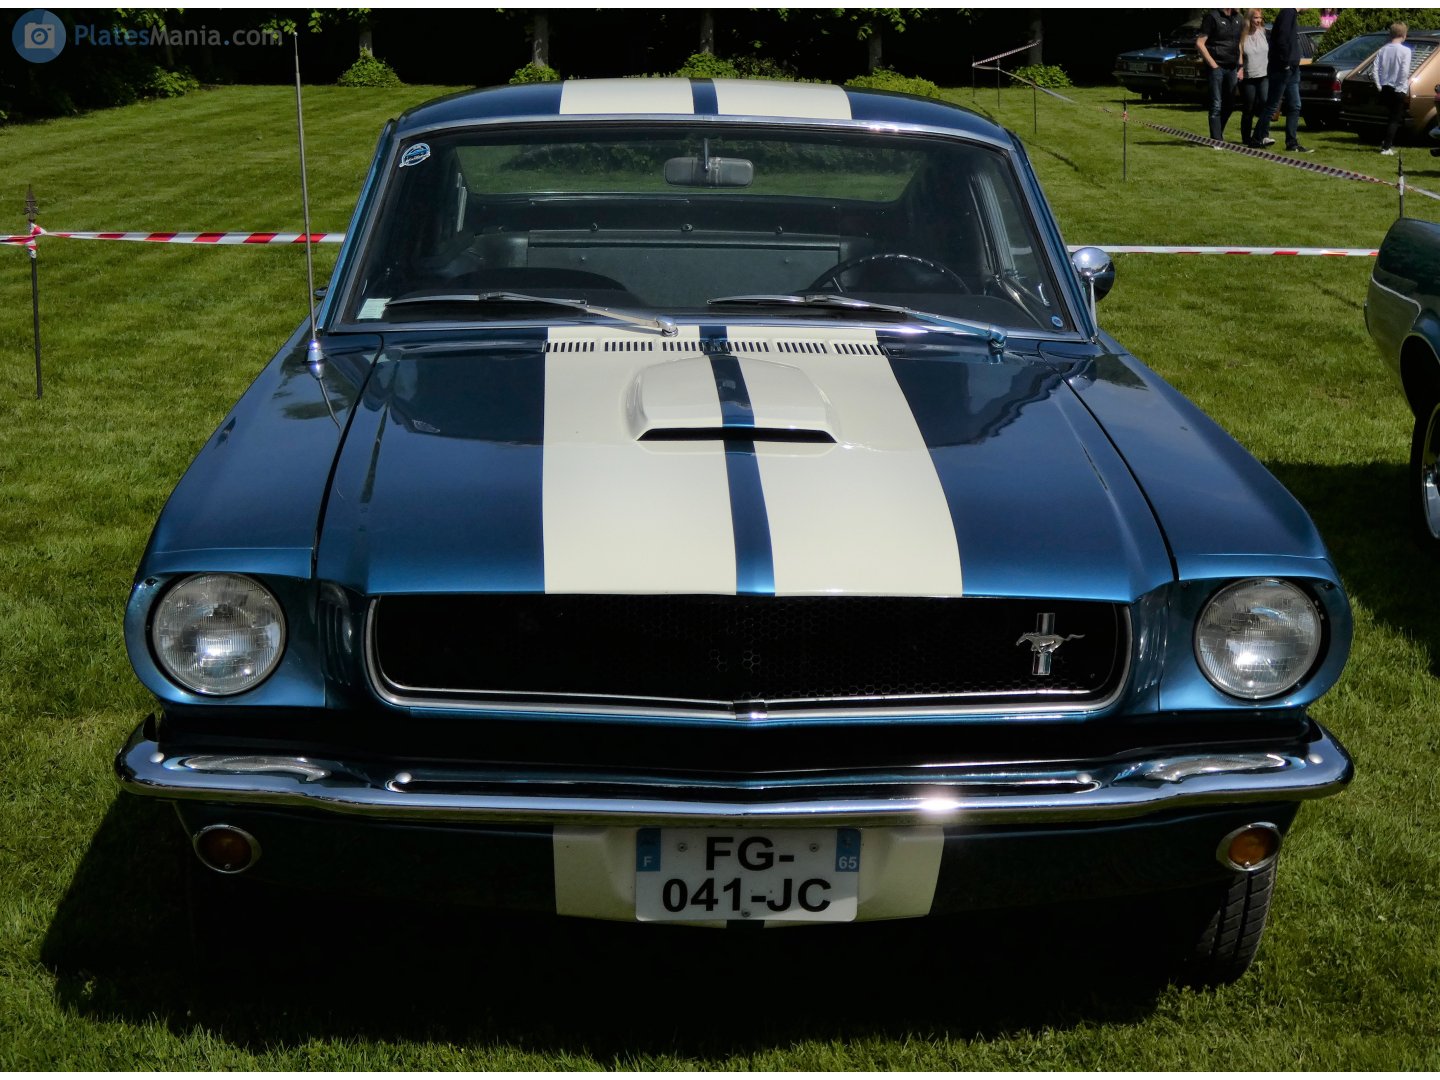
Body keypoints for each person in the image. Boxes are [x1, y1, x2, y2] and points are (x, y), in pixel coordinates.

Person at [1252, 8, 1310, 153]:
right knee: (1272, 105)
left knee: (1295, 105)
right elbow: (1281, 39)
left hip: (1292, 68)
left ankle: (1292, 143)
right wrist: (1285, 63)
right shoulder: (1288, 12)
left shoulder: (1291, 13)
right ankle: (1257, 138)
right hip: (1283, 68)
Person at [1197, 8, 1245, 145]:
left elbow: (1238, 43)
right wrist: (1214, 65)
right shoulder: (1212, 17)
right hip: (1216, 66)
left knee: (1230, 104)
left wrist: (1240, 65)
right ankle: (1216, 139)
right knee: (1216, 104)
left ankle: (1218, 134)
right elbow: (1200, 43)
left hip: (1232, 67)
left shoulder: (1239, 18)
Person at [1374, 22, 1412, 155]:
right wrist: (1402, 87)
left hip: (1385, 87)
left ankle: (1384, 143)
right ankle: (1386, 147)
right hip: (1397, 88)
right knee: (1394, 119)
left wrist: (1379, 85)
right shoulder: (1405, 51)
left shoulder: (1383, 50)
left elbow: (1375, 70)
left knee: (1388, 117)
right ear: (1403, 35)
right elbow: (1404, 71)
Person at [1239, 10, 1270, 147]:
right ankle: (1246, 138)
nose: (1258, 20)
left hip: (1264, 75)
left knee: (1265, 104)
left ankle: (1263, 135)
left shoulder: (1263, 32)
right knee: (1249, 108)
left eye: (1260, 18)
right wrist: (1239, 68)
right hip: (1249, 76)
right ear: (1249, 19)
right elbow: (1239, 54)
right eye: (1256, 18)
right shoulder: (1242, 36)